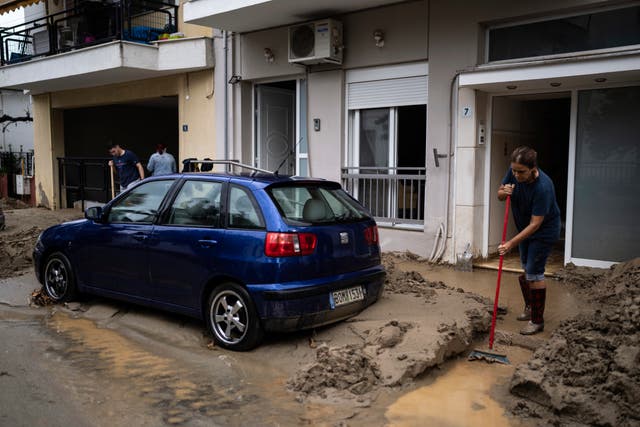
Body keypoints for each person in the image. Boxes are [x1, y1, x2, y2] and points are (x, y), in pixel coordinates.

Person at [497, 146, 561, 335]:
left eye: (521, 172)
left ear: (533, 169)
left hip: (543, 232)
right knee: (526, 268)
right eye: (514, 170)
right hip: (524, 229)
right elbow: (500, 195)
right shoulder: (514, 171)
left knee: (534, 272)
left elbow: (535, 224)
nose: (516, 175)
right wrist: (504, 192)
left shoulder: (543, 188)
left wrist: (510, 244)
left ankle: (537, 320)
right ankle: (530, 308)